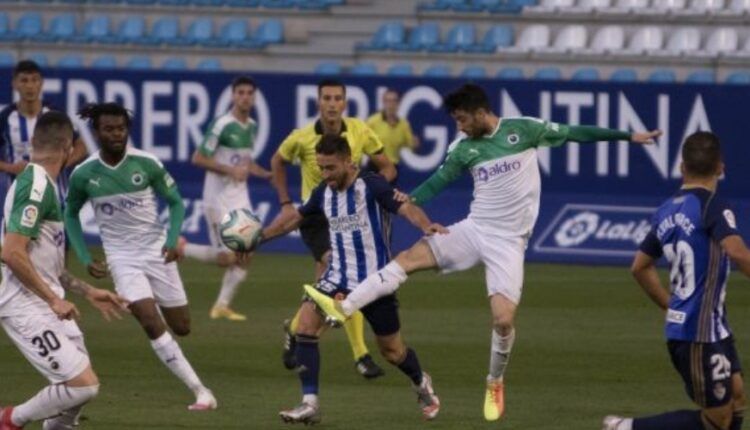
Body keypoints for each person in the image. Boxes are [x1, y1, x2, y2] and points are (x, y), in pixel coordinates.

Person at [304, 83, 662, 422]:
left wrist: (629, 136)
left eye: (461, 119)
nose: (458, 126)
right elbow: (438, 180)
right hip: (474, 229)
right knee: (407, 259)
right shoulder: (463, 149)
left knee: (503, 320)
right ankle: (343, 307)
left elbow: (575, 132)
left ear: (479, 112)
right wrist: (411, 201)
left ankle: (494, 382)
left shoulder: (524, 130)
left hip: (509, 242)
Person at [257, 134, 444, 424]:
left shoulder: (372, 185)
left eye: (331, 167)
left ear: (349, 161)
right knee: (306, 327)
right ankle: (310, 404)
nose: (326, 174)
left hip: (375, 283)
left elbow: (405, 207)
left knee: (392, 352)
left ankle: (420, 381)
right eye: (321, 167)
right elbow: (296, 218)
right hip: (336, 279)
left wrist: (425, 225)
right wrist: (258, 239)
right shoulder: (323, 191)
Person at [64, 102, 217, 411]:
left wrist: (173, 240)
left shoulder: (147, 164)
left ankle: (165, 333)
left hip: (156, 251)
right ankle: (200, 391)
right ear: (97, 132)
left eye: (121, 128)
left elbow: (175, 203)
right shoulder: (84, 174)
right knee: (148, 318)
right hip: (122, 258)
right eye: (109, 129)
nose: (116, 134)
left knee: (182, 326)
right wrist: (84, 256)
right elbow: (70, 216)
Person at [602, 131, 749, 430]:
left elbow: (640, 267)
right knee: (717, 420)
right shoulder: (714, 206)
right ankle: (625, 427)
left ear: (682, 167)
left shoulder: (666, 210)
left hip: (713, 327)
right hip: (697, 333)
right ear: (720, 167)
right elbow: (737, 252)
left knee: (736, 397)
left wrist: (672, 306)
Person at [0, 111, 128, 430]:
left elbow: (44, 264)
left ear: (33, 143)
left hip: (45, 301)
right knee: (83, 385)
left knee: (76, 397)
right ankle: (9, 419)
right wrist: (53, 301)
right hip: (24, 305)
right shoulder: (35, 187)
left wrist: (88, 291)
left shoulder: (45, 184)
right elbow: (12, 253)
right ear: (70, 149)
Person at [270, 79, 397, 378]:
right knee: (337, 272)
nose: (331, 103)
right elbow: (277, 161)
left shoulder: (359, 131)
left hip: (353, 216)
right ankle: (361, 355)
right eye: (326, 97)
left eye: (337, 98)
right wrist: (286, 202)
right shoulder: (301, 138)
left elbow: (388, 167)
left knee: (331, 290)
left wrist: (376, 189)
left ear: (344, 103)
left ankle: (294, 328)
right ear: (318, 102)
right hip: (317, 217)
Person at [179, 76, 271, 321]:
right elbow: (198, 158)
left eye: (249, 93)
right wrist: (231, 171)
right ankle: (181, 248)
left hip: (240, 197)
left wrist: (266, 174)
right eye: (240, 92)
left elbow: (245, 162)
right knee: (227, 258)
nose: (245, 97)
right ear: (233, 96)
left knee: (247, 252)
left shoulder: (251, 125)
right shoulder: (221, 125)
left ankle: (221, 305)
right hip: (217, 199)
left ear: (254, 97)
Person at [0, 60, 88, 210]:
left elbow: (81, 146)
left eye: (34, 80)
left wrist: (61, 163)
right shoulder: (5, 117)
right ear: (15, 84)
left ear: (41, 83)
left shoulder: (55, 115)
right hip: (17, 201)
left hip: (55, 199)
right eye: (24, 80)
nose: (30, 85)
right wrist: (11, 167)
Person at [366, 88, 419, 169]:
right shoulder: (372, 122)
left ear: (398, 103)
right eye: (388, 101)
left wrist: (415, 144)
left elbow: (411, 146)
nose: (391, 105)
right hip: (375, 166)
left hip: (393, 167)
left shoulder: (403, 125)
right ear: (384, 102)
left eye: (394, 101)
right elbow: (363, 143)